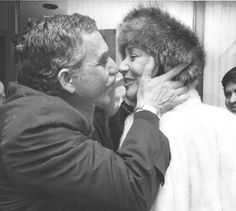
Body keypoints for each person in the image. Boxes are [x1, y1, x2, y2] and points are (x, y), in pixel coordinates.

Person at [0, 13, 188, 211]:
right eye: (102, 61)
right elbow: (132, 190)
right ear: (68, 80)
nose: (116, 67)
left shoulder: (70, 111)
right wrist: (148, 109)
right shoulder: (34, 128)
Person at [118, 6, 236, 210]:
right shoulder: (134, 123)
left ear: (167, 61)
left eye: (133, 56)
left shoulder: (221, 124)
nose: (122, 66)